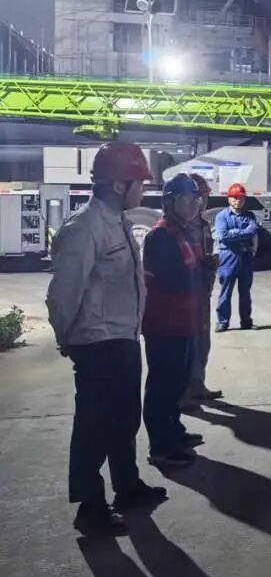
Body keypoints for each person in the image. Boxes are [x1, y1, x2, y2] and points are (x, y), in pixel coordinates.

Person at [46, 142, 165, 535]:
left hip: (123, 338)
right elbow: (63, 292)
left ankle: (127, 488)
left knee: (124, 420)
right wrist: (67, 338)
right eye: (139, 183)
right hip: (97, 343)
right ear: (118, 184)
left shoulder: (118, 222)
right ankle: (90, 507)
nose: (143, 190)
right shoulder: (83, 228)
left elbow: (109, 276)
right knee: (94, 428)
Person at [142, 174, 207, 468]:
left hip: (182, 322)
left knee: (177, 384)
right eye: (188, 198)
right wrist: (198, 275)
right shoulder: (161, 235)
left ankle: (174, 432)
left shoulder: (180, 231)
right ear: (170, 202)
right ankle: (161, 446)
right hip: (165, 324)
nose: (194, 204)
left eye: (196, 199)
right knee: (162, 387)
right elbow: (173, 279)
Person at [180, 173, 222, 408]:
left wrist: (209, 263)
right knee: (186, 344)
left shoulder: (203, 225)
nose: (204, 200)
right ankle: (183, 392)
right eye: (200, 195)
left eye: (206, 195)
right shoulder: (178, 227)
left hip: (202, 291)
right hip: (184, 296)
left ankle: (197, 384)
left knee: (202, 342)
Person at [214, 183, 258, 332]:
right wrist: (242, 233)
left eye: (240, 198)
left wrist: (233, 232)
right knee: (225, 291)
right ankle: (222, 322)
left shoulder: (250, 216)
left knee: (245, 291)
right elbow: (223, 235)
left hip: (246, 257)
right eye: (234, 198)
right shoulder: (221, 216)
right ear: (229, 199)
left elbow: (252, 231)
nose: (238, 200)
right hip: (228, 256)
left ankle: (246, 322)